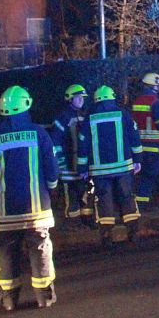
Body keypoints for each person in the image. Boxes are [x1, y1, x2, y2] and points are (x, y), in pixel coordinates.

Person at [0, 85, 58, 310]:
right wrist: (52, 189)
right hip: (36, 209)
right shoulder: (39, 133)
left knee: (6, 251)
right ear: (26, 104)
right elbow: (52, 170)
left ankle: (8, 299)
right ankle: (44, 296)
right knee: (40, 249)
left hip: (6, 211)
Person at [78, 85, 143, 248]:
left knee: (103, 199)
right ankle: (133, 232)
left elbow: (82, 145)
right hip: (123, 167)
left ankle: (107, 235)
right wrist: (138, 159)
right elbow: (134, 137)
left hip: (100, 170)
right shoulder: (123, 114)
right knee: (127, 196)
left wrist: (83, 169)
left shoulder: (90, 118)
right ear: (112, 98)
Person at [50, 84, 94, 225]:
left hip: (83, 163)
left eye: (82, 97)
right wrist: (61, 162)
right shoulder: (62, 117)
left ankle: (87, 219)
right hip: (68, 163)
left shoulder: (85, 115)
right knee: (71, 194)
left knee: (86, 191)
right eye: (78, 97)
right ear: (69, 99)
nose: (81, 100)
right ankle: (73, 221)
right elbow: (55, 142)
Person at [131, 72, 159, 208]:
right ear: (153, 86)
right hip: (154, 146)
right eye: (158, 85)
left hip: (139, 146)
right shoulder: (155, 102)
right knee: (149, 175)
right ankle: (142, 205)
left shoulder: (137, 101)